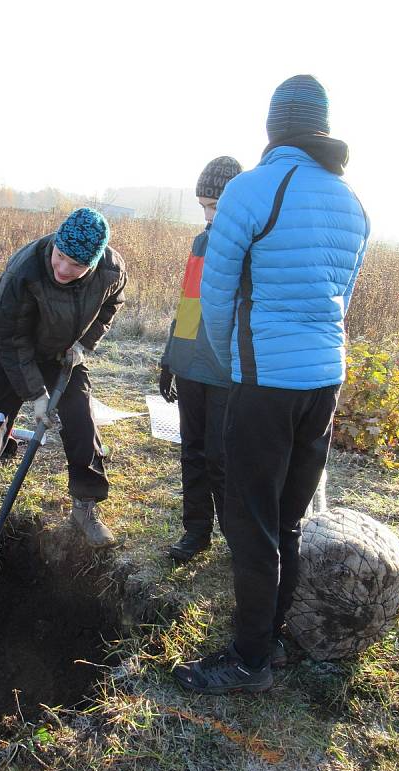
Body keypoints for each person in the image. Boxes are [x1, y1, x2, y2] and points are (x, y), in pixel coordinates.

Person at [173, 75, 370, 693]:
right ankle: (271, 638)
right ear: (323, 129)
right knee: (286, 518)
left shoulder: (251, 191)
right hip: (324, 381)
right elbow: (344, 296)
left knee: (251, 520)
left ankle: (248, 659)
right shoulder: (352, 202)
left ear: (272, 127)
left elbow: (216, 293)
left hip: (266, 383)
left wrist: (235, 367)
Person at [0, 207, 127, 563]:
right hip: (6, 350)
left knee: (82, 421)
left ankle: (85, 506)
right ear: (54, 243)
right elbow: (11, 338)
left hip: (62, 352)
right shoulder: (25, 269)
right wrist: (36, 396)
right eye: (60, 256)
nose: (62, 268)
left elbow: (111, 305)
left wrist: (84, 345)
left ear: (94, 262)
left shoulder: (111, 271)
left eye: (75, 265)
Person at [160, 156, 242, 562]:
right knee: (191, 451)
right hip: (191, 366)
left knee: (220, 457)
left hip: (227, 372)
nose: (209, 215)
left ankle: (235, 539)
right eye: (204, 206)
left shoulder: (249, 247)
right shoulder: (201, 243)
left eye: (216, 205)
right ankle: (196, 532)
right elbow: (188, 307)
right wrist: (169, 358)